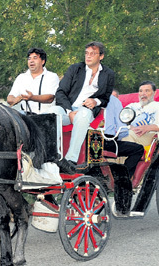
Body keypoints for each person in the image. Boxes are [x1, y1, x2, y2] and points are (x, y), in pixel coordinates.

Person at [49, 41, 115, 173]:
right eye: (86, 53)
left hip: (86, 111)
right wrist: (69, 112)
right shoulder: (75, 69)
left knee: (83, 115)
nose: (88, 56)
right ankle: (52, 156)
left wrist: (96, 101)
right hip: (67, 108)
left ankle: (70, 160)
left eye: (92, 53)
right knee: (51, 113)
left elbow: (106, 98)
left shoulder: (108, 74)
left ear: (101, 56)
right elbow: (60, 92)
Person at [122, 81, 159, 147]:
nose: (143, 94)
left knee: (127, 135)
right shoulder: (131, 106)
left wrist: (148, 127)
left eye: (147, 91)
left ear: (154, 93)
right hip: (129, 131)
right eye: (141, 91)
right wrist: (130, 127)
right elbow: (119, 120)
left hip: (148, 135)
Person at [7, 47, 60, 114]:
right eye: (29, 58)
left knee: (56, 110)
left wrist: (32, 97)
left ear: (43, 61)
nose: (31, 61)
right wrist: (14, 100)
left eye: (35, 58)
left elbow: (50, 98)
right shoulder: (21, 77)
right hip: (25, 117)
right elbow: (10, 98)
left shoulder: (52, 76)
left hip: (46, 116)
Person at [103, 90, 144, 177]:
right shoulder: (114, 101)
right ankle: (123, 178)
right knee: (138, 149)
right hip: (106, 141)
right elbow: (122, 130)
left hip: (85, 140)